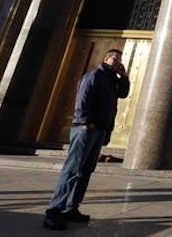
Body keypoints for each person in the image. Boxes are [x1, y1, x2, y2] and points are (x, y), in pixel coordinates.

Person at [43, 49, 130, 230]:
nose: (116, 61)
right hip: (86, 129)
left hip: (100, 130)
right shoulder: (94, 76)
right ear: (106, 59)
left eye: (119, 59)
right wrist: (85, 122)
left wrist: (124, 77)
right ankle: (54, 211)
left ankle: (71, 207)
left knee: (86, 170)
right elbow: (82, 100)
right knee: (73, 169)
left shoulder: (112, 79)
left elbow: (123, 94)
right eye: (114, 58)